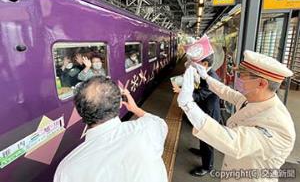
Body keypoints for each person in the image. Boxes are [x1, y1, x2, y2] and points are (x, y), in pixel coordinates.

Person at [177, 50, 295, 182]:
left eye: (242, 75)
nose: (236, 79)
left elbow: (235, 143)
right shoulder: (254, 100)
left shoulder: (279, 125)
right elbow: (227, 92)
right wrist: (206, 77)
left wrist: (188, 105)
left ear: (261, 83)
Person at [54, 76, 168, 182]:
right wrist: (136, 109)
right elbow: (159, 123)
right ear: (119, 104)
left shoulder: (66, 169)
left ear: (80, 112)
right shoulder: (147, 129)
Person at [189, 54, 221, 177]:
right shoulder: (207, 74)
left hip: (210, 112)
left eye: (197, 62)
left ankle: (207, 167)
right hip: (205, 109)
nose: (194, 64)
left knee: (208, 140)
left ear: (205, 64)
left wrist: (184, 91)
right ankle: (201, 152)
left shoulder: (212, 77)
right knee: (202, 136)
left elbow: (200, 95)